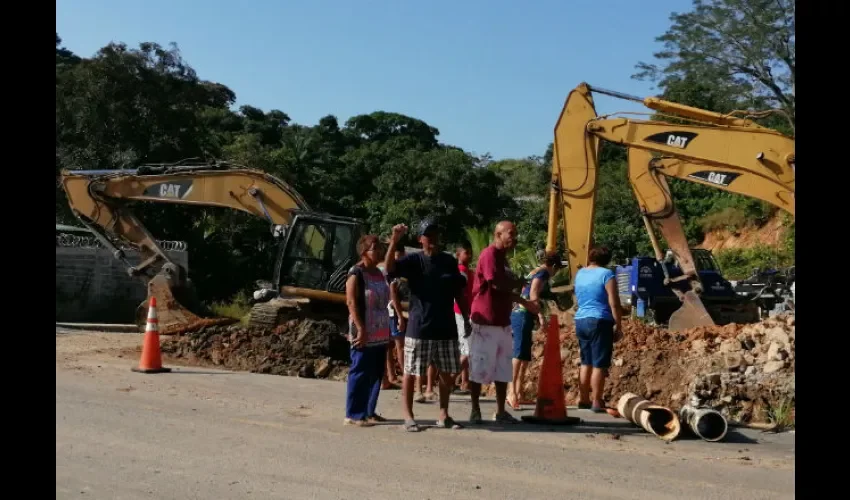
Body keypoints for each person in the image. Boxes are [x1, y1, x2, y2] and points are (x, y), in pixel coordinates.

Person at [384, 218, 471, 432]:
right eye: (428, 235)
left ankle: (443, 414)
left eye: (435, 234)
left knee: (448, 372)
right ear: (420, 239)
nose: (432, 238)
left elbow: (458, 292)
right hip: (419, 326)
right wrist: (394, 241)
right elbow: (389, 270)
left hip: (446, 327)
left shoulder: (448, 261)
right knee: (411, 372)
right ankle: (408, 415)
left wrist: (466, 319)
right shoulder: (414, 261)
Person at [467, 221, 538, 424]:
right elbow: (497, 284)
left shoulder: (504, 259)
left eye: (515, 233)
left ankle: (500, 411)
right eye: (510, 233)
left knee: (502, 369)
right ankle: (475, 410)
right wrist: (518, 284)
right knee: (478, 367)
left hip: (502, 322)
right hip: (485, 321)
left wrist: (524, 301)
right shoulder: (489, 255)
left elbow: (506, 290)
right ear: (497, 234)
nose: (514, 237)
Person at [344, 235, 392, 427]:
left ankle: (368, 411)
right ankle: (354, 414)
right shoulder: (356, 273)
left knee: (375, 372)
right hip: (363, 330)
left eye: (380, 248)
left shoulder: (379, 273)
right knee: (360, 370)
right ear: (364, 252)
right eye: (375, 248)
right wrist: (361, 328)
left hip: (379, 331)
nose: (379, 251)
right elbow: (351, 301)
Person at [507, 251, 562, 409]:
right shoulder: (543, 273)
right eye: (556, 269)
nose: (555, 273)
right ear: (552, 265)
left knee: (524, 355)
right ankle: (511, 392)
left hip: (521, 314)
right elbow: (533, 294)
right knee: (519, 354)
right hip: (523, 314)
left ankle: (518, 393)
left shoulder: (535, 271)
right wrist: (541, 316)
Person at [573, 245, 624, 413]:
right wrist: (619, 325)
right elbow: (614, 302)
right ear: (606, 260)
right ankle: (596, 400)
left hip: (581, 320)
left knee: (586, 360)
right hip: (599, 320)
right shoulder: (606, 274)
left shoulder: (580, 274)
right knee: (599, 363)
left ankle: (584, 399)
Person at [384, 246, 407, 389]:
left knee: (395, 345)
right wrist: (399, 316)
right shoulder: (390, 273)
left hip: (402, 312)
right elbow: (392, 294)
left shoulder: (405, 272)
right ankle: (403, 376)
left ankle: (393, 375)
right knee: (398, 346)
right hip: (394, 313)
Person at [453, 241, 474, 394]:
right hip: (462, 313)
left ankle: (465, 382)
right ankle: (449, 379)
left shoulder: (467, 270)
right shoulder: (460, 271)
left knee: (465, 349)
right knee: (467, 351)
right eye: (466, 252)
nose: (470, 255)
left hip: (466, 313)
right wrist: (466, 315)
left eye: (470, 252)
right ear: (458, 255)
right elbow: (460, 295)